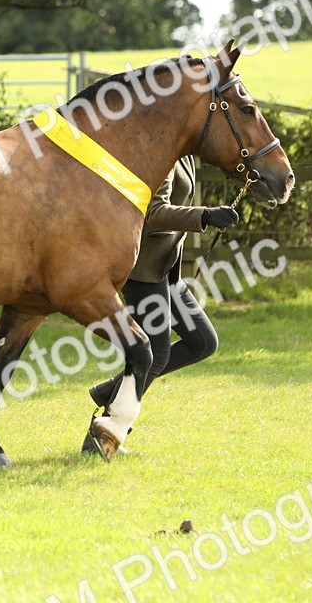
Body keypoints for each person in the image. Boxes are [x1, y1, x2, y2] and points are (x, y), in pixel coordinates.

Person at [82, 156, 239, 454]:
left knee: (203, 342)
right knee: (156, 353)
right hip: (144, 269)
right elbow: (154, 211)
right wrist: (204, 216)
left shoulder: (188, 152)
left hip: (167, 269)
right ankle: (103, 435)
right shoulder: (164, 152)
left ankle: (111, 390)